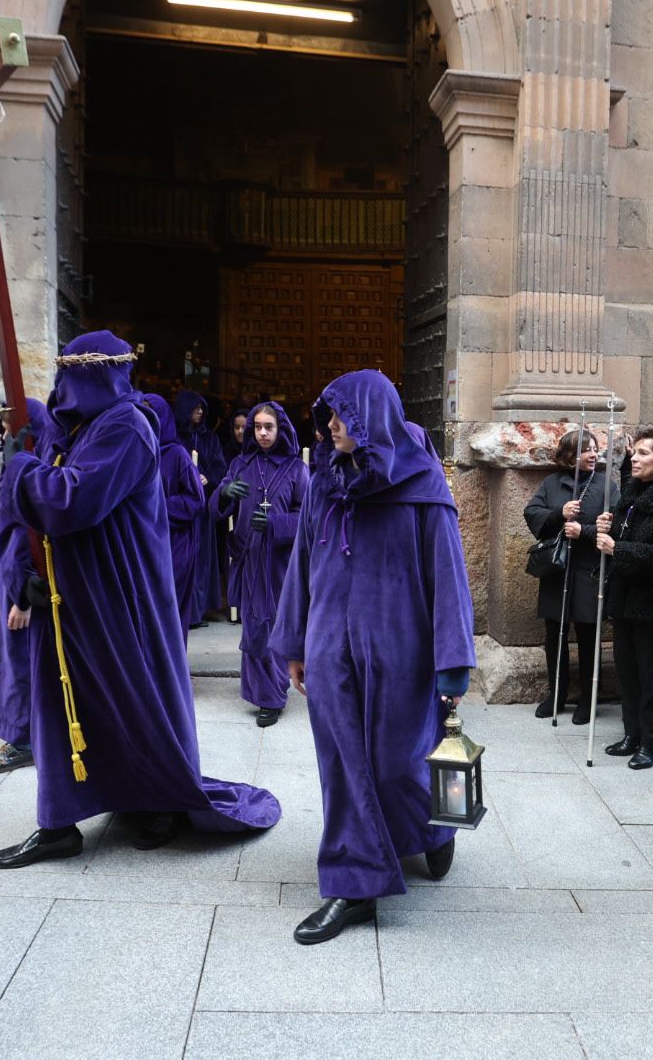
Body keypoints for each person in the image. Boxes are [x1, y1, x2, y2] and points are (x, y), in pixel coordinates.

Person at [0, 331, 280, 869]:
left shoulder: (128, 427)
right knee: (63, 705)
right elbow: (50, 481)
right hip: (71, 596)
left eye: (72, 378)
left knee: (134, 699)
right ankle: (58, 822)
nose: (63, 390)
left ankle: (161, 801)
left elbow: (72, 499)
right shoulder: (80, 428)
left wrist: (20, 468)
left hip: (121, 596)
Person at [271, 369, 475, 945]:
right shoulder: (323, 481)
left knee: (397, 766)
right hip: (329, 649)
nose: (330, 426)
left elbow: (448, 579)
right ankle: (353, 882)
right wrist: (294, 643)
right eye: (328, 416)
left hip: (401, 655)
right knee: (342, 767)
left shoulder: (423, 484)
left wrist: (452, 663)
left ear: (369, 418)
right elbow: (303, 564)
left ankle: (434, 831)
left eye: (340, 415)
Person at [594, 427, 653, 769]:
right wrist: (607, 527)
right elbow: (623, 534)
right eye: (634, 452)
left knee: (651, 676)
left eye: (644, 453)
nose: (635, 458)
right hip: (624, 598)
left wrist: (616, 547)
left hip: (652, 601)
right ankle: (631, 733)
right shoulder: (631, 493)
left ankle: (651, 741)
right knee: (627, 671)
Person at [211, 401, 308, 727]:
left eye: (269, 427)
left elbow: (309, 519)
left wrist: (277, 523)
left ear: (280, 429)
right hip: (249, 558)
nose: (263, 433)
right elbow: (215, 509)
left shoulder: (296, 469)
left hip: (279, 564)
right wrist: (225, 493)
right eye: (257, 427)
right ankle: (261, 693)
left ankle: (272, 695)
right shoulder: (240, 463)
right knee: (253, 625)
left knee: (271, 623)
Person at [0, 399, 45, 775]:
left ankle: (23, 740)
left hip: (16, 590)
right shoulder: (13, 473)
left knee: (19, 660)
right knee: (9, 656)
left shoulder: (27, 476)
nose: (1, 435)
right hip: (4, 582)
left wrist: (21, 597)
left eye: (7, 428)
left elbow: (25, 537)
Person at [523, 428, 605, 723]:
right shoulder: (552, 483)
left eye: (595, 449)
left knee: (587, 636)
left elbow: (619, 526)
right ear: (570, 455)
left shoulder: (606, 485)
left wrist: (585, 531)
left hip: (588, 571)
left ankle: (587, 699)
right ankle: (556, 694)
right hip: (557, 571)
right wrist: (560, 513)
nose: (594, 454)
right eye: (586, 450)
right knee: (554, 636)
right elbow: (531, 513)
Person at [144, 394, 208, 630]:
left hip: (174, 542)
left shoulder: (176, 454)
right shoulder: (134, 450)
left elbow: (195, 498)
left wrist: (156, 507)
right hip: (142, 541)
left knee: (169, 609)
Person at [174, 390, 227, 619]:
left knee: (202, 557)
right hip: (183, 507)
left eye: (202, 408)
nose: (200, 412)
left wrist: (208, 477)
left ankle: (199, 607)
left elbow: (219, 467)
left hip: (202, 506)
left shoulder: (210, 439)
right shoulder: (175, 440)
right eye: (195, 408)